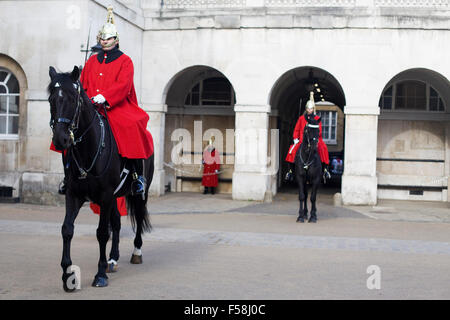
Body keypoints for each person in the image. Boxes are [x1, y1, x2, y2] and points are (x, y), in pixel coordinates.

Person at [54, 6, 153, 200]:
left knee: (132, 126)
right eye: (102, 39)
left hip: (117, 106)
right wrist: (86, 98)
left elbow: (124, 85)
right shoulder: (91, 61)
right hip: (91, 106)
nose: (104, 42)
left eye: (108, 39)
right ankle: (68, 176)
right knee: (66, 131)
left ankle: (136, 176)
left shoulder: (126, 61)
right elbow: (85, 84)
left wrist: (106, 97)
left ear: (115, 40)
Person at [285, 92, 330, 181]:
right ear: (306, 109)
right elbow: (297, 129)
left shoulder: (317, 118)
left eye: (311, 109)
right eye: (308, 109)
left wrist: (316, 138)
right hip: (302, 139)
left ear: (313, 109)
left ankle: (325, 170)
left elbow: (319, 130)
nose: (309, 110)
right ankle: (290, 171)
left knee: (323, 148)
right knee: (292, 150)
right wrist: (295, 138)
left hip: (315, 139)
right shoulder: (301, 118)